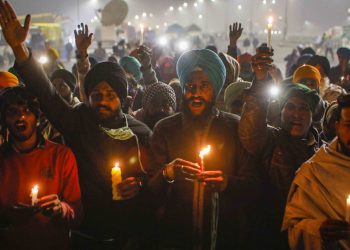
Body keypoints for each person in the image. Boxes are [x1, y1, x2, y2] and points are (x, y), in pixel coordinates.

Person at [0, 3, 154, 249]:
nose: (102, 99)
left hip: (130, 236)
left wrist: (140, 185)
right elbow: (47, 94)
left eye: (110, 94)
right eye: (96, 93)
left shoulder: (140, 133)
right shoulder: (79, 121)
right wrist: (19, 49)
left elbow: (157, 179)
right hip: (84, 235)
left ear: (123, 99)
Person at [148, 49, 262, 249]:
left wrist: (227, 183)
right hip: (175, 238)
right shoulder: (165, 129)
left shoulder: (235, 128)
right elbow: (151, 188)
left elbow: (253, 185)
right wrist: (168, 172)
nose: (196, 93)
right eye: (190, 86)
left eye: (204, 86)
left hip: (225, 238)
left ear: (215, 89)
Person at [239, 46, 321, 249]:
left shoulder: (322, 155)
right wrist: (260, 80)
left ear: (313, 117)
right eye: (290, 107)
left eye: (304, 109)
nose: (297, 114)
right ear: (281, 112)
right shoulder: (269, 141)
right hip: (269, 236)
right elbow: (250, 130)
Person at [0, 86, 82, 250]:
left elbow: (77, 214)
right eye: (12, 111)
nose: (20, 116)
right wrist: (7, 218)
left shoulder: (61, 156)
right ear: (4, 119)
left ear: (37, 117)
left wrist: (61, 209)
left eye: (27, 110)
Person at [282, 94, 350, 250]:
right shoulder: (314, 171)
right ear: (337, 126)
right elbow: (294, 228)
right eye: (349, 125)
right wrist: (318, 230)